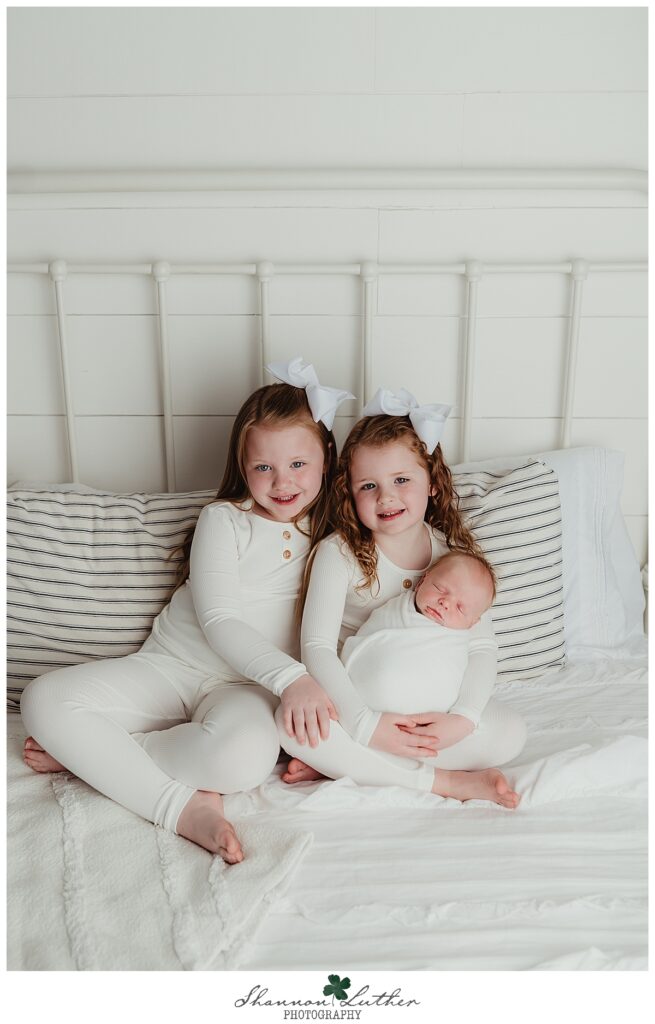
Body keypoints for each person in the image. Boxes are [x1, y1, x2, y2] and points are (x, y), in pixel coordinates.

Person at [21, 357, 352, 863]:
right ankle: (180, 807)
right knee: (44, 699)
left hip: (247, 690)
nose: (282, 482)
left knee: (242, 762)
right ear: (243, 466)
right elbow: (220, 620)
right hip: (172, 668)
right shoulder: (224, 520)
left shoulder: (339, 539)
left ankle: (98, 757)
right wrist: (293, 679)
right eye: (263, 467)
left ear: (326, 456)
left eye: (298, 465)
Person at [278, 388, 526, 807]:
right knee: (289, 728)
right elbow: (316, 647)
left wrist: (462, 720)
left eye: (401, 480)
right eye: (368, 485)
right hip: (360, 703)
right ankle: (444, 782)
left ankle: (356, 764)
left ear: (433, 484)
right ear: (349, 493)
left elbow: (482, 649)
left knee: (511, 733)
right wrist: (365, 724)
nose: (386, 497)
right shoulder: (338, 554)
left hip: (433, 708)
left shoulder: (451, 558)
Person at [341, 551, 496, 719]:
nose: (445, 603)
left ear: (472, 623)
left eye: (460, 608)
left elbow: (452, 674)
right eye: (440, 589)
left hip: (429, 715)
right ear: (422, 581)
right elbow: (370, 635)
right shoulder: (397, 609)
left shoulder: (456, 641)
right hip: (360, 704)